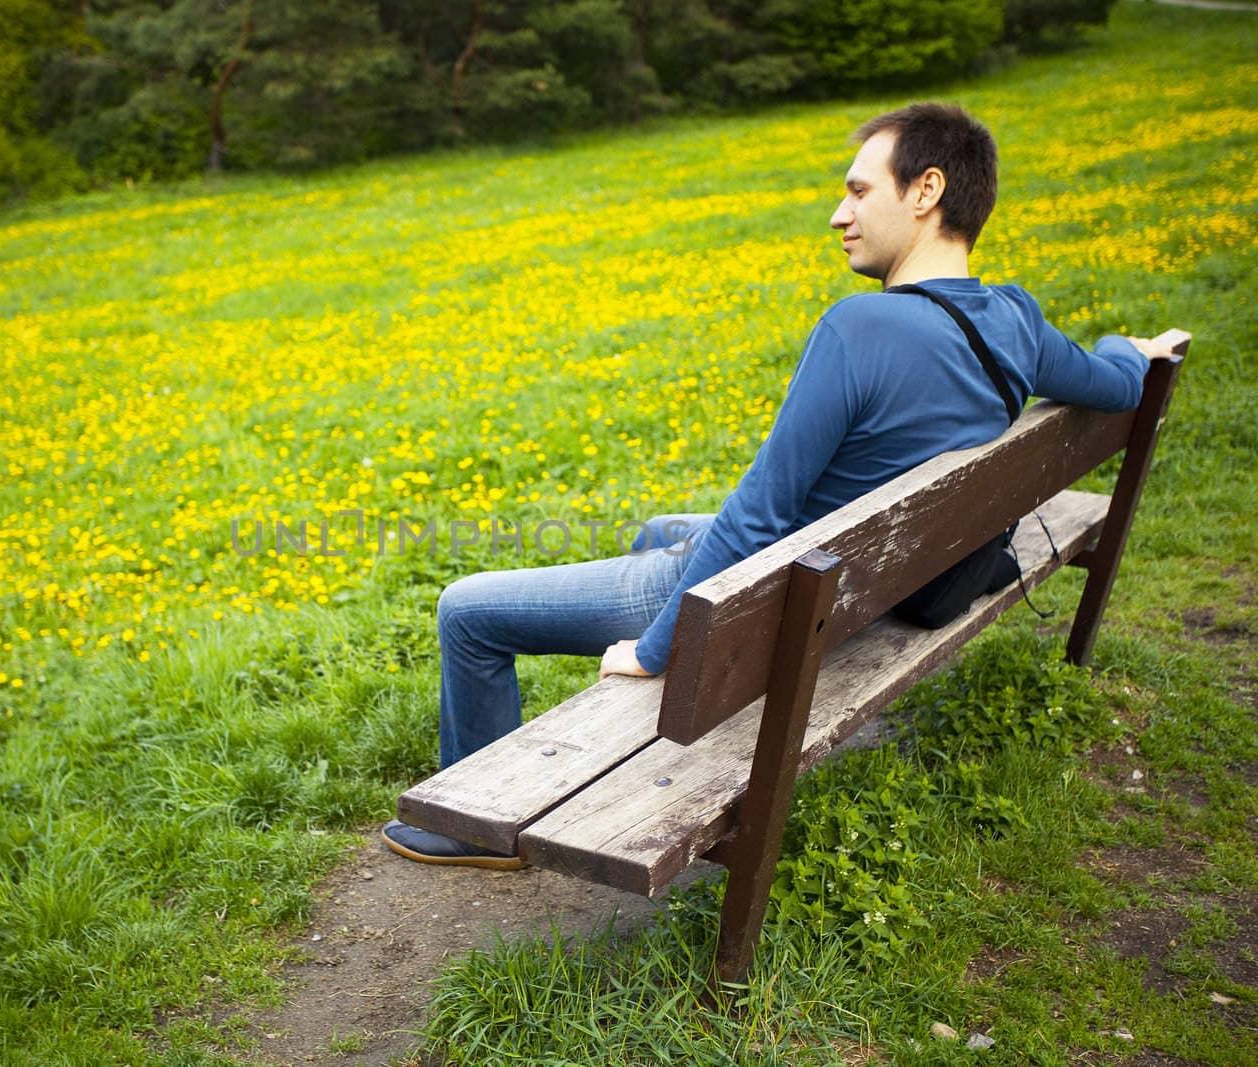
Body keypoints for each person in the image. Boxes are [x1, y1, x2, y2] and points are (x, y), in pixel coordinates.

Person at [381, 102, 1181, 870]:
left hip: (773, 594)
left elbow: (756, 518)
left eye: (859, 190)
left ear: (927, 191)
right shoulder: (1015, 319)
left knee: (468, 609)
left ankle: (479, 828)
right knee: (664, 525)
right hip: (860, 584)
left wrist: (658, 651)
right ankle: (596, 697)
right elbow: (1114, 383)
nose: (840, 213)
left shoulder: (858, 329)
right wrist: (1124, 343)